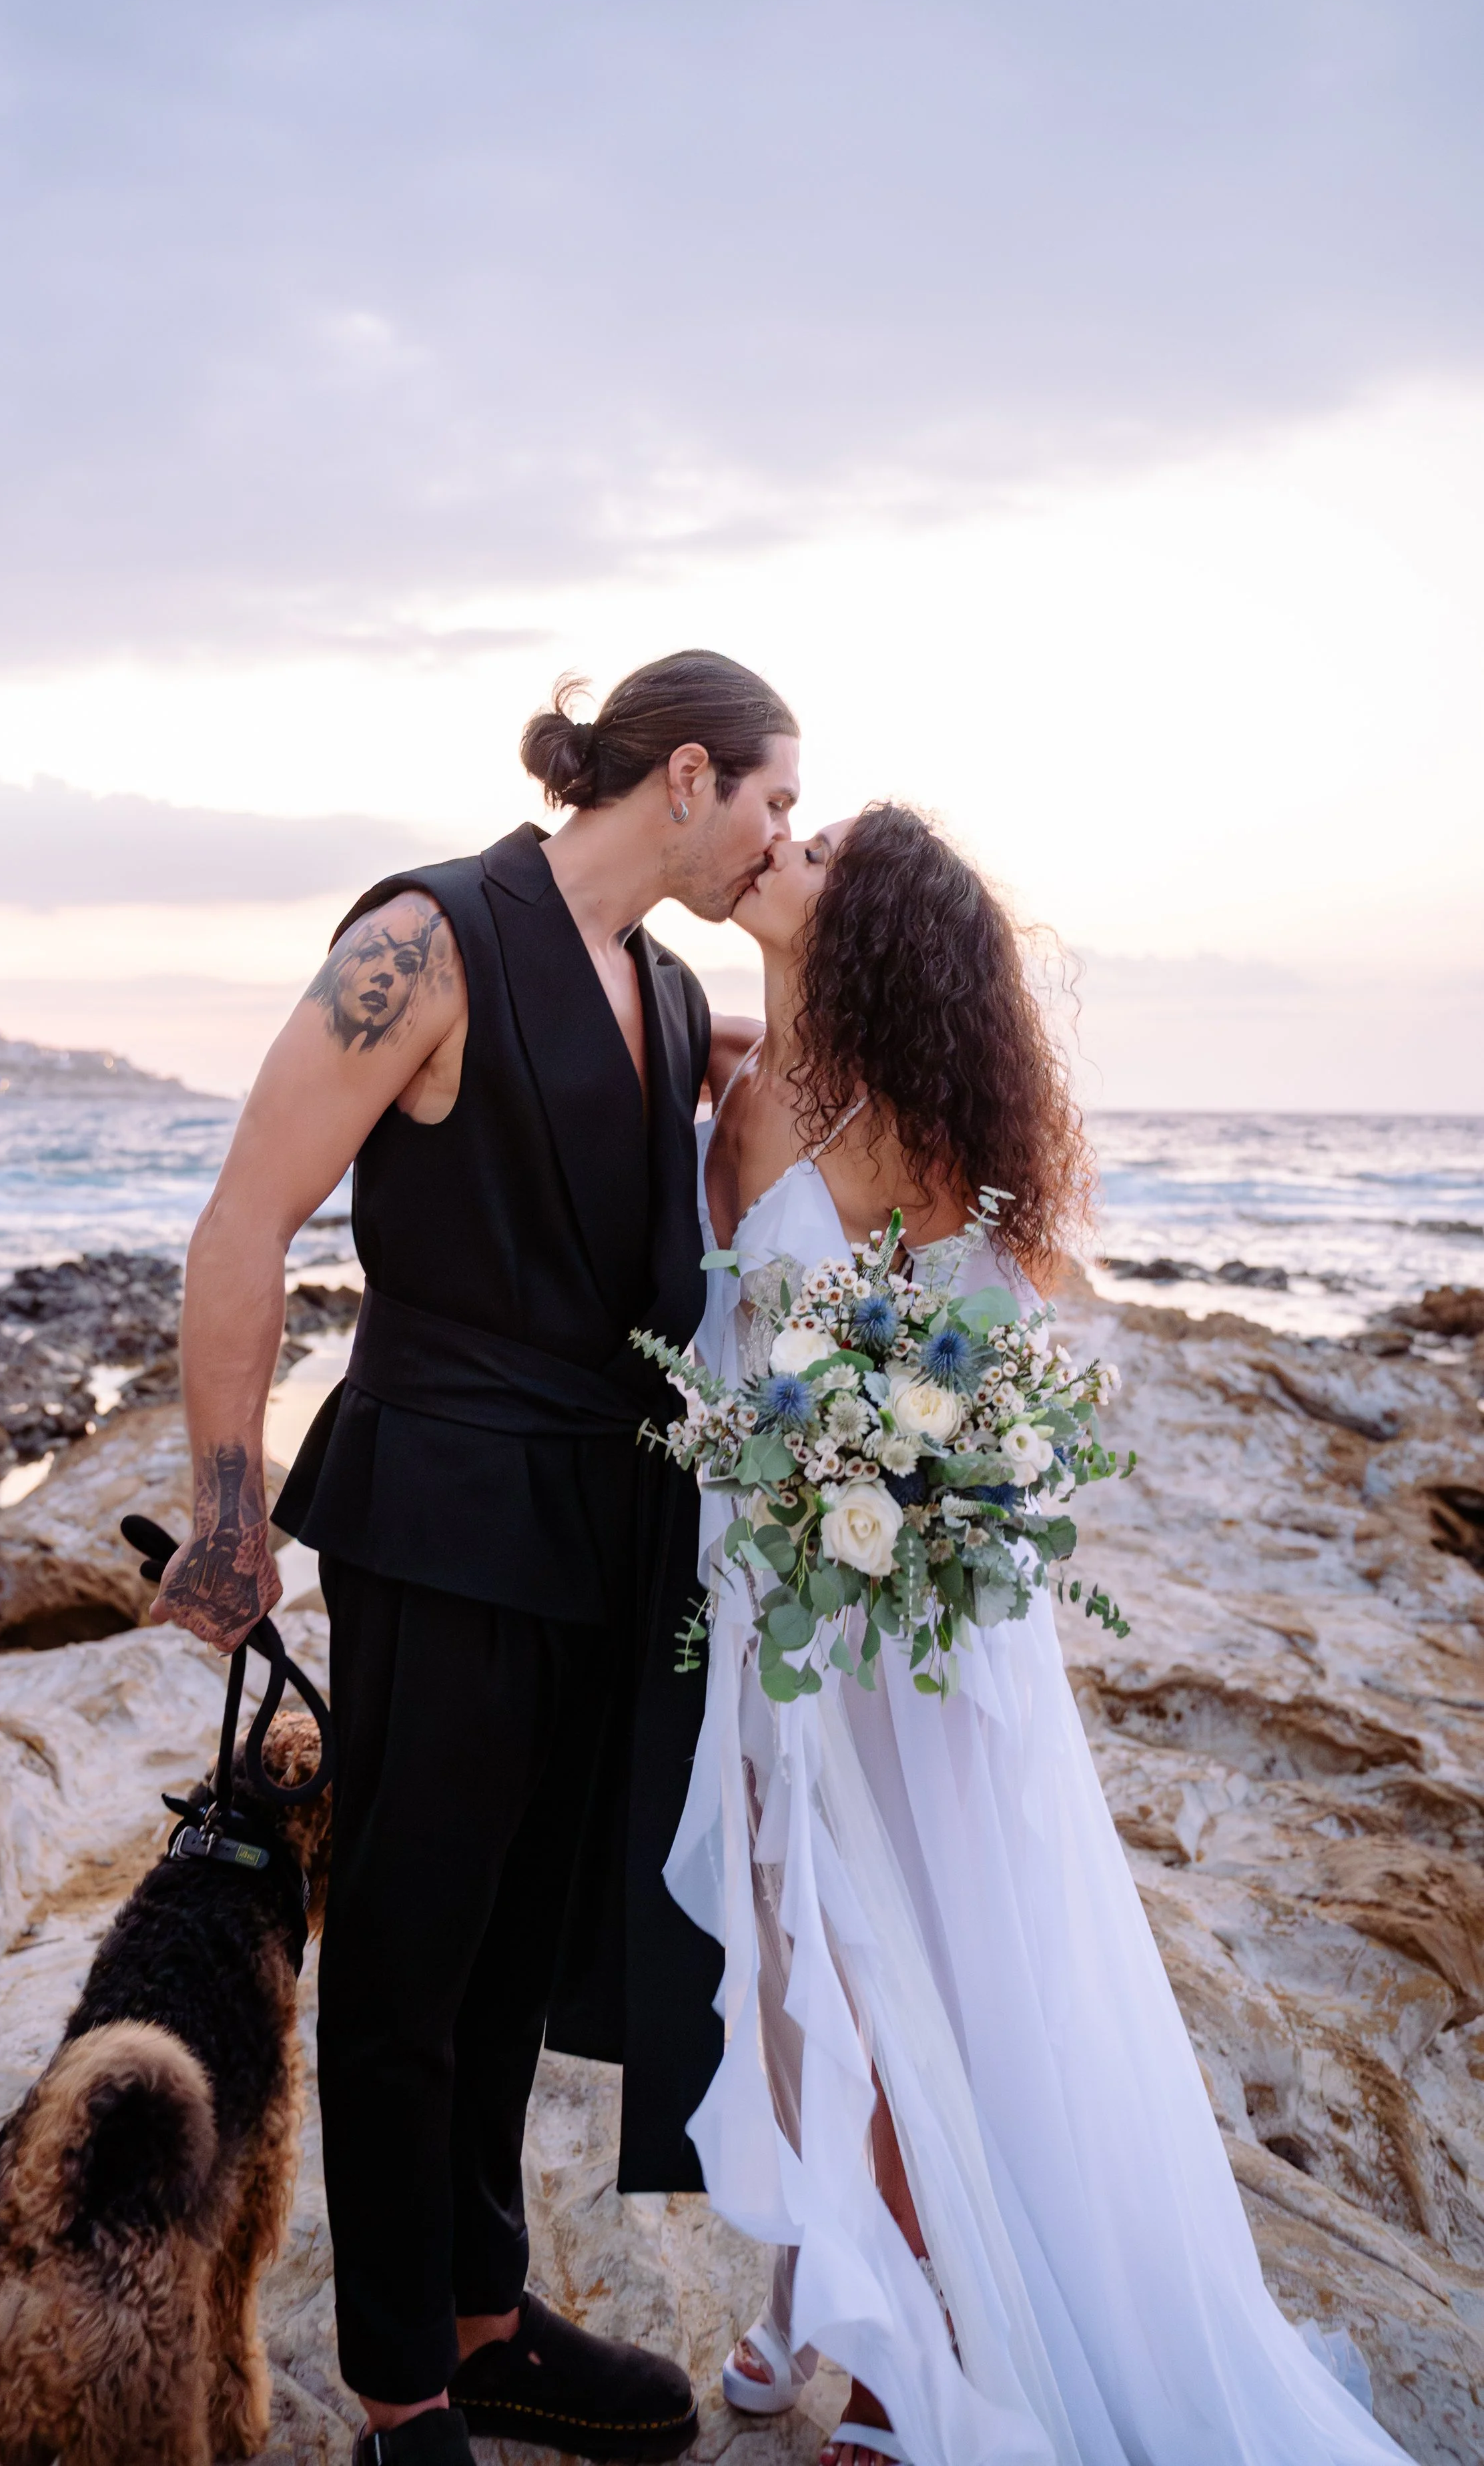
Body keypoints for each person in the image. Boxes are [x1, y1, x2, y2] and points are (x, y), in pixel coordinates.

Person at [668, 803, 1411, 2466]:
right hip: (766, 1596)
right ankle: (811, 2288)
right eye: (777, 829)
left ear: (858, 930)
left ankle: (920, 2362)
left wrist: (897, 1476)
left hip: (894, 1622)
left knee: (904, 1962)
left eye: (810, 850)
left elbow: (984, 1362)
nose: (773, 849)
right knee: (794, 1962)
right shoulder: (729, 1089)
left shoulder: (912, 1125)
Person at [151, 651, 799, 2466]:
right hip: (437, 1507)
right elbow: (244, 1218)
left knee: (517, 1948)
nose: (779, 836)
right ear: (686, 774)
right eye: (771, 800)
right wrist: (227, 1513)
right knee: (409, 1960)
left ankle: (489, 2316)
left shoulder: (666, 994)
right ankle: (395, 2383)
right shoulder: (425, 938)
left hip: (606, 1520)